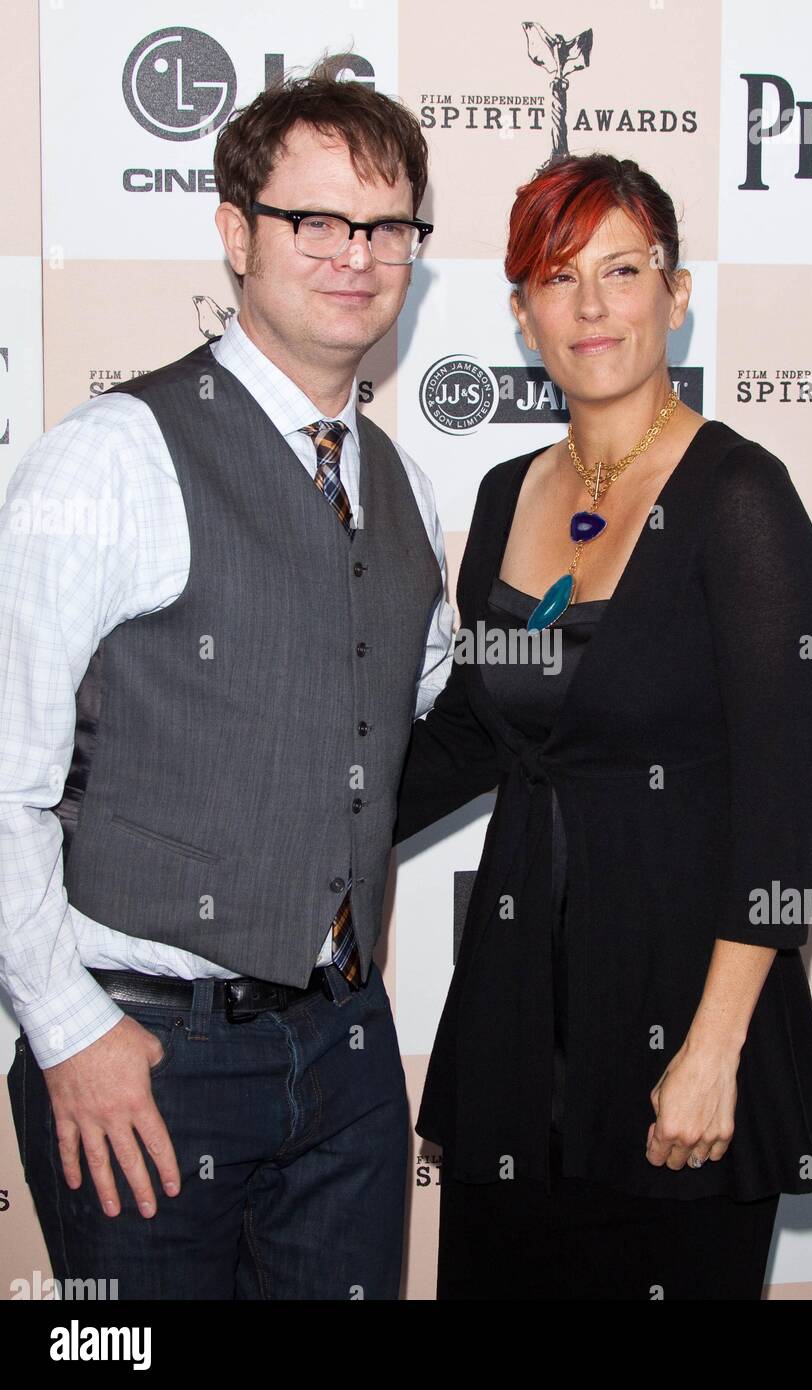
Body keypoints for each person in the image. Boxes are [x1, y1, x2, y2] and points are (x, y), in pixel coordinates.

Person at [1, 56, 453, 1299]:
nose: (355, 253)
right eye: (314, 220)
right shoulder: (108, 458)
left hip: (350, 1052)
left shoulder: (404, 485)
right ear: (234, 234)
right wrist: (68, 1027)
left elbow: (405, 722)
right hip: (145, 1054)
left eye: (387, 225)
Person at [392, 153, 812, 1300]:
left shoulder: (739, 499)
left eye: (622, 269)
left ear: (675, 296)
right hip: (514, 1016)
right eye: (556, 276)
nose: (591, 306)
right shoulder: (504, 492)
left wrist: (711, 1049)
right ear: (521, 312)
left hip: (678, 1015)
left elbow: (784, 815)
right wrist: (291, 811)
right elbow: (479, 737)